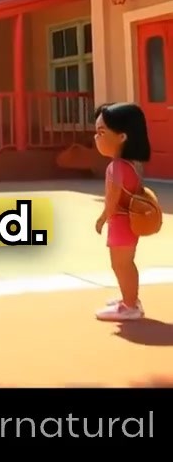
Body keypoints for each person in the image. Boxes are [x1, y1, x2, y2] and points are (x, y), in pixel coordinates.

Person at [94, 102, 151, 322]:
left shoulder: (116, 167)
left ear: (122, 137)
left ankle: (130, 305)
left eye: (101, 132)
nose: (97, 138)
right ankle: (129, 299)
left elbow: (112, 199)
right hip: (128, 223)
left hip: (120, 224)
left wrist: (102, 218)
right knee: (124, 263)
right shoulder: (129, 165)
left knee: (121, 264)